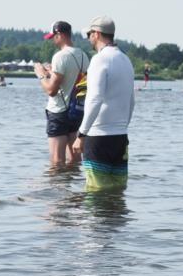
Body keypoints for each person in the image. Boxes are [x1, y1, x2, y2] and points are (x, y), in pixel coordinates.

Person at [72, 17, 135, 190]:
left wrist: (81, 134)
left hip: (99, 136)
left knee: (96, 193)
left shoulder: (99, 60)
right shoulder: (126, 60)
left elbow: (95, 98)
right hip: (121, 137)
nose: (88, 38)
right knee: (117, 192)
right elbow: (131, 101)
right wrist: (122, 126)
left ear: (97, 34)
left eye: (89, 34)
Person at [34, 20, 89, 165]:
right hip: (76, 111)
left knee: (56, 160)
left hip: (58, 112)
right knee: (75, 159)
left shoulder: (59, 56)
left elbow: (51, 90)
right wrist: (52, 72)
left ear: (60, 35)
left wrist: (41, 74)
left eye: (53, 36)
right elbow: (75, 80)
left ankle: (56, 187)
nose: (52, 40)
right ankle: (73, 186)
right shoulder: (83, 55)